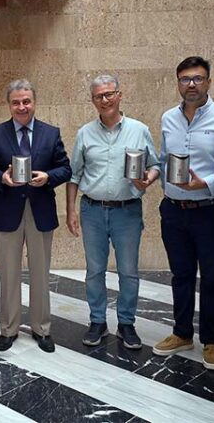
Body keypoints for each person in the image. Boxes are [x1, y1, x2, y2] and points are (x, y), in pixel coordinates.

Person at [65, 74, 160, 350]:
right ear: (93, 101)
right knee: (95, 271)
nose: (105, 100)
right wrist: (71, 211)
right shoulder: (85, 133)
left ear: (119, 95)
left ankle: (127, 323)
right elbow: (74, 176)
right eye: (98, 96)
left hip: (127, 212)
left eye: (109, 94)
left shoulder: (139, 130)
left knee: (128, 271)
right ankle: (97, 321)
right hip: (92, 211)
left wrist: (148, 179)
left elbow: (155, 164)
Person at [152, 57, 214, 370]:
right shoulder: (168, 118)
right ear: (178, 83)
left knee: (212, 276)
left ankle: (212, 341)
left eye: (198, 79)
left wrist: (207, 183)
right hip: (173, 210)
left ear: (209, 82)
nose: (191, 85)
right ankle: (182, 332)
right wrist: (152, 176)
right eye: (185, 79)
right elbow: (162, 159)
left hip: (211, 210)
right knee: (181, 274)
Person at [0, 79, 71, 353]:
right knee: (8, 273)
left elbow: (65, 168)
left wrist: (48, 177)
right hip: (8, 211)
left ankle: (41, 328)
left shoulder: (50, 133)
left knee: (41, 273)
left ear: (34, 102)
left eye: (26, 101)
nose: (22, 106)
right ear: (9, 104)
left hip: (40, 211)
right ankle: (8, 329)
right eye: (16, 102)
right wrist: (2, 178)